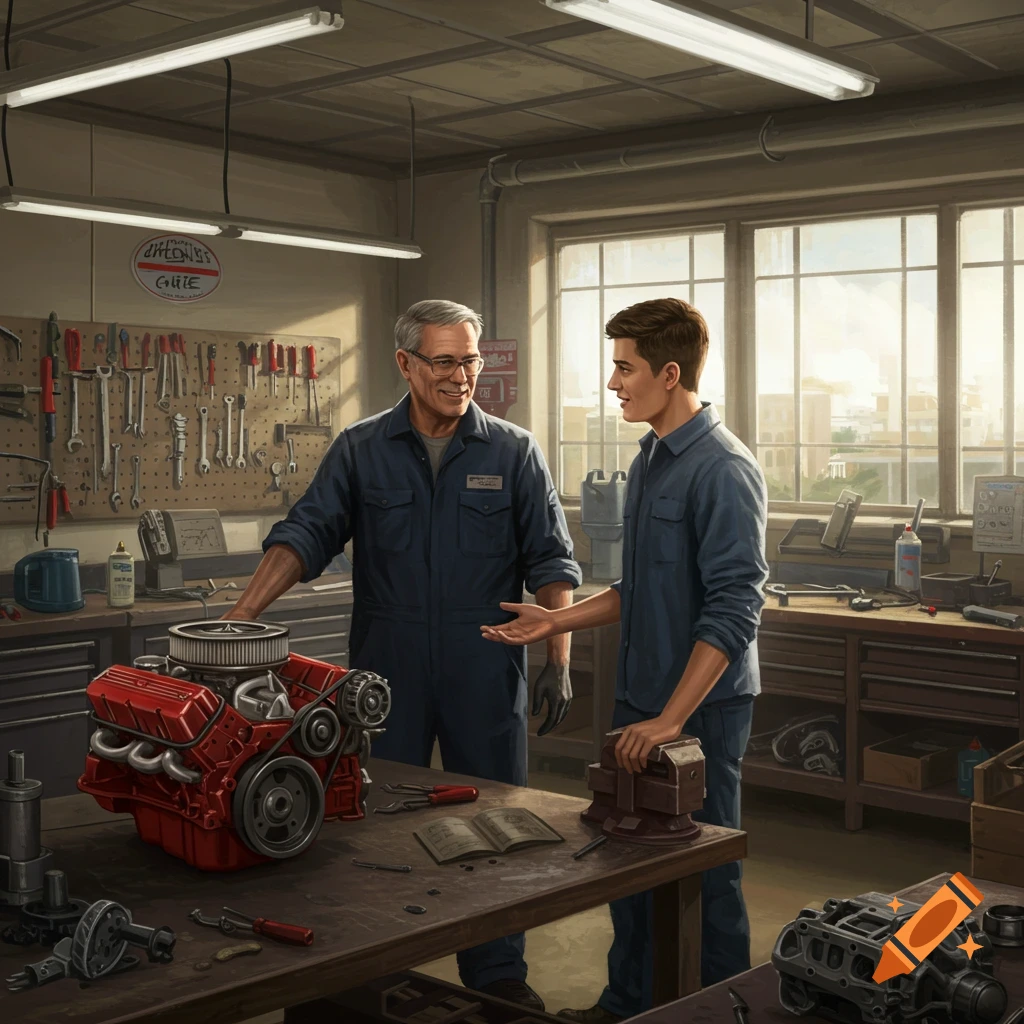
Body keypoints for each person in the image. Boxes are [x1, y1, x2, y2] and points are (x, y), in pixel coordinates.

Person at [222, 299, 582, 1012]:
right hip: (385, 678)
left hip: (486, 667)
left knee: (495, 826)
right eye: (445, 361)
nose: (462, 376)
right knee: (373, 826)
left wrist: (559, 657)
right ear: (406, 364)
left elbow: (552, 560)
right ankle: (369, 969)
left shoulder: (513, 450)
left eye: (471, 359)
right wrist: (237, 621)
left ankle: (497, 975)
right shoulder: (360, 448)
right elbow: (305, 535)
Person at [481, 297, 768, 1023]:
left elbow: (735, 608)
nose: (613, 382)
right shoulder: (649, 462)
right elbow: (638, 591)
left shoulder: (724, 470)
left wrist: (673, 719)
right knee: (626, 859)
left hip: (697, 711)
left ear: (670, 374)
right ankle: (628, 1005)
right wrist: (558, 619)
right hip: (642, 698)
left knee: (705, 868)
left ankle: (717, 1010)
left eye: (624, 367)